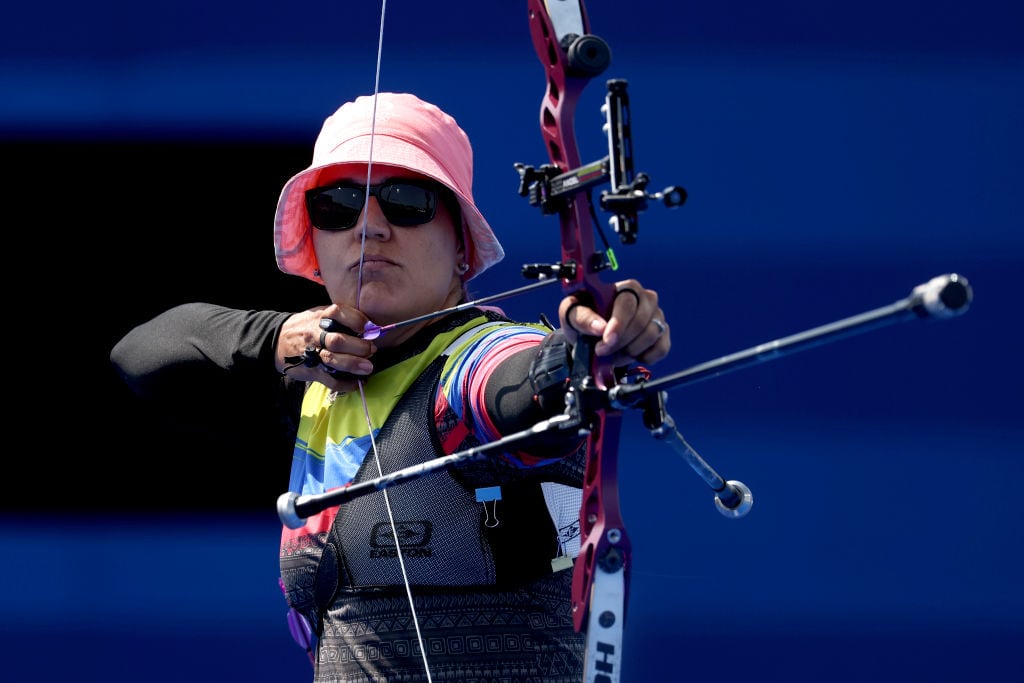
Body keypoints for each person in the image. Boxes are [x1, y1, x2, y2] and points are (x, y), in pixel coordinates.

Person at [110, 92, 671, 682]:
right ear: (316, 243)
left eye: (406, 201)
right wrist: (275, 338)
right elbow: (142, 356)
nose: (369, 227)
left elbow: (514, 385)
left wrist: (584, 351)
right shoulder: (316, 382)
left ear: (462, 247)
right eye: (337, 205)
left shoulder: (472, 361)